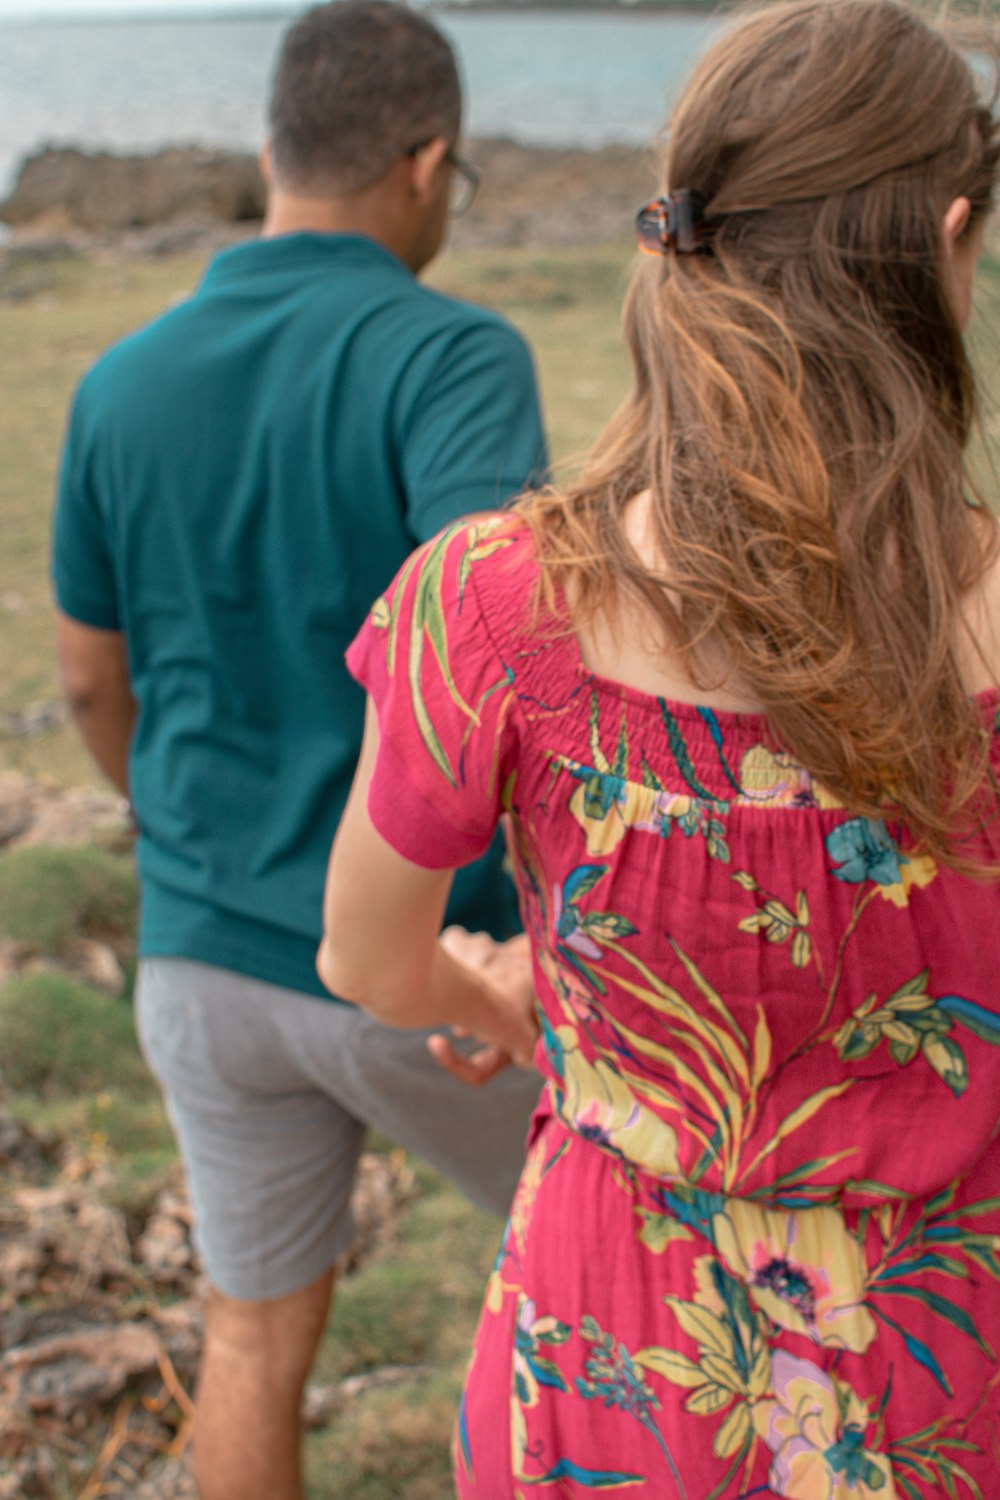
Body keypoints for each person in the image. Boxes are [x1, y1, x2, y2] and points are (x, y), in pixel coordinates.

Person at [319, 0, 1000, 1493]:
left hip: (616, 1362)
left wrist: (510, 1002)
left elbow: (367, 961)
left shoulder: (492, 606)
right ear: (951, 241)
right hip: (949, 1365)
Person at [51, 4, 548, 1497]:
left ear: (271, 149)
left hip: (201, 961)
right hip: (432, 969)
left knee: (252, 1340)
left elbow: (88, 679)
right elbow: (493, 649)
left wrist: (175, 826)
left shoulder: (116, 383)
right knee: (639, 1274)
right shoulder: (453, 358)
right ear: (430, 163)